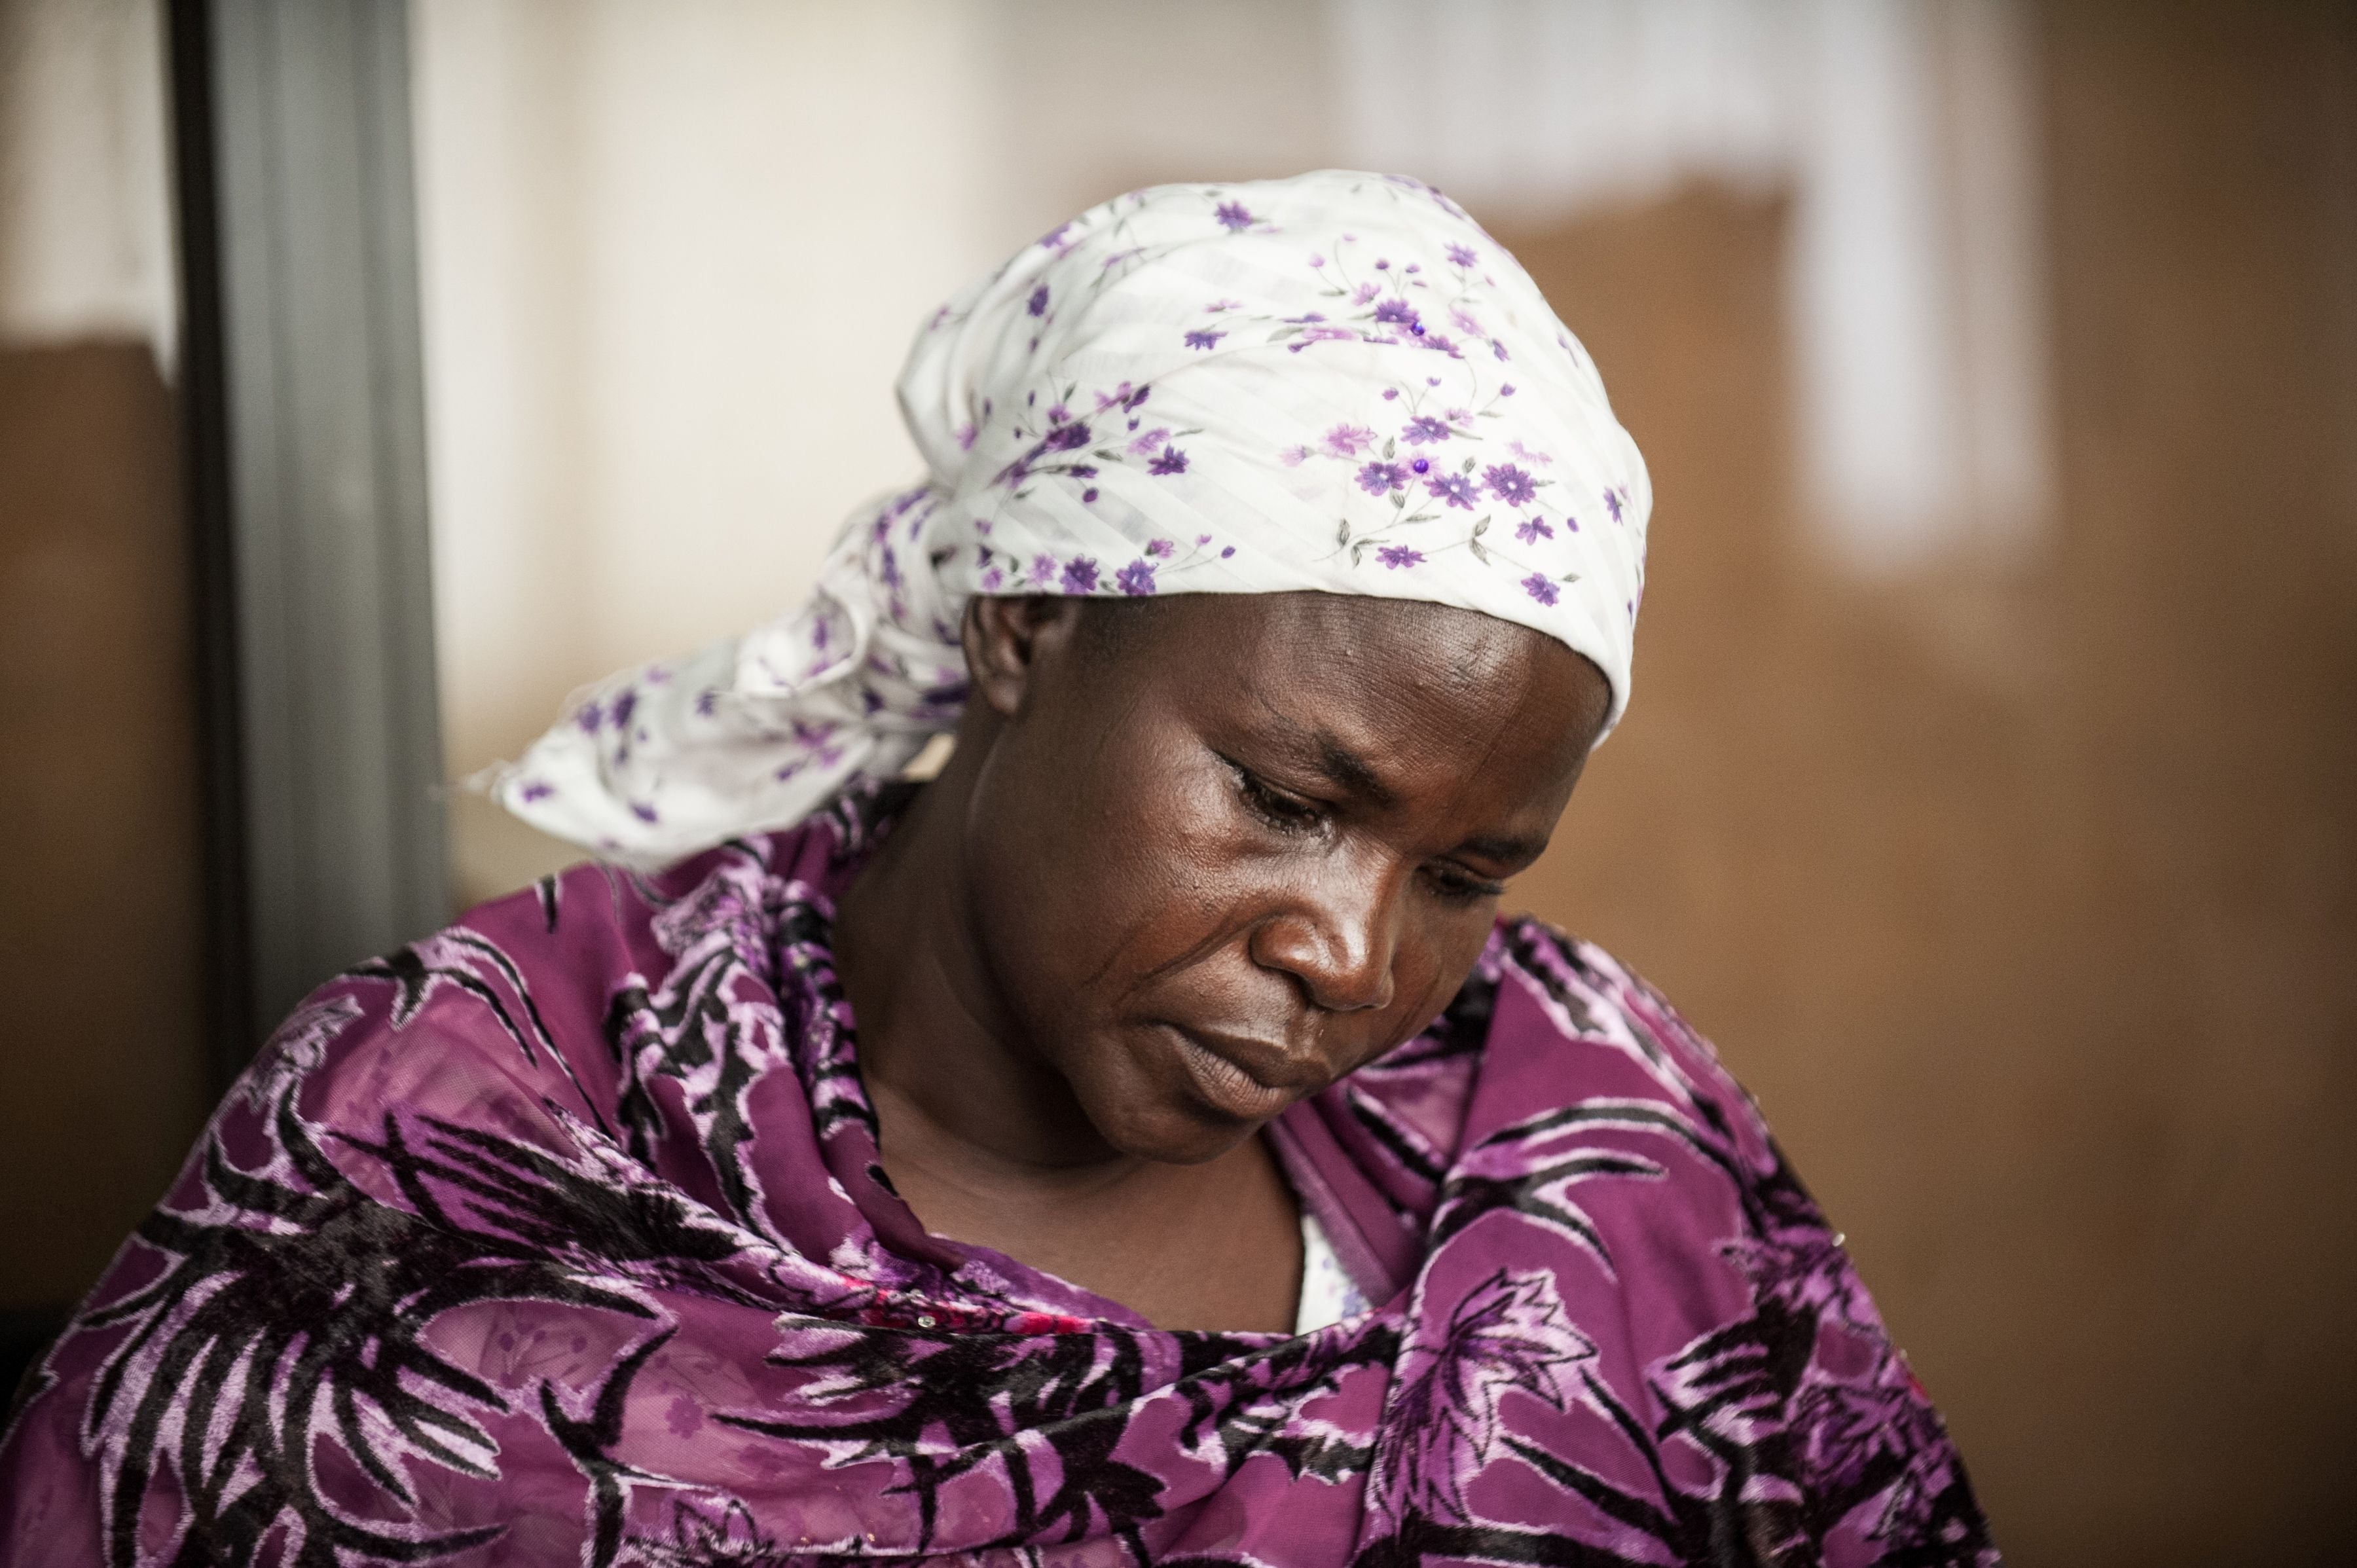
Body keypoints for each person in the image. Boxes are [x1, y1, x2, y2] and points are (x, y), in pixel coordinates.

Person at [0, 172, 1996, 1566]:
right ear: (1029, 627)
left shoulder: (1592, 1129)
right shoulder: (485, 1132)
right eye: (1289, 795)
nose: (1355, 951)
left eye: (1465, 870)